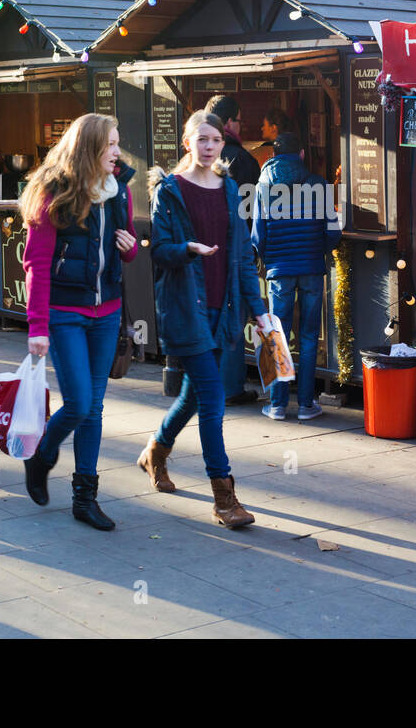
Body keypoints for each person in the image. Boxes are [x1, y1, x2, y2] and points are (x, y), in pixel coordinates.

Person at [140, 110, 272, 528]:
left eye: (215, 139)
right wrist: (187, 250)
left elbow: (240, 258)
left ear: (223, 143)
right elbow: (158, 250)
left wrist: (261, 312)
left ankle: (155, 452)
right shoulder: (170, 190)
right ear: (187, 143)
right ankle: (224, 497)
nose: (209, 146)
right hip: (186, 308)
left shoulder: (229, 188)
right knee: (213, 401)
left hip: (224, 309)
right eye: (201, 139)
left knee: (194, 397)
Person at [18, 114, 137, 530]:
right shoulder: (56, 193)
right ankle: (43, 455)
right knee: (80, 403)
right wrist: (36, 327)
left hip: (108, 312)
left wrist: (130, 248)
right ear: (89, 148)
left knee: (95, 407)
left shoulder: (119, 190)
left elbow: (125, 248)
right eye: (110, 145)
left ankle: (84, 498)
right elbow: (36, 262)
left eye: (118, 144)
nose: (117, 152)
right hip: (65, 314)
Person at [251, 132, 341, 421]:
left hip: (279, 272)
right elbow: (333, 233)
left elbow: (257, 237)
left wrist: (272, 258)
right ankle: (305, 404)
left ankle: (277, 405)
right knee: (309, 335)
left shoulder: (262, 187)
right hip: (312, 268)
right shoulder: (318, 184)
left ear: (272, 157)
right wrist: (317, 250)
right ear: (301, 154)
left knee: (277, 333)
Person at [202, 94, 260, 405]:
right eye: (237, 119)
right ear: (228, 123)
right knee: (234, 320)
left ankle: (212, 386)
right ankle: (231, 388)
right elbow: (251, 214)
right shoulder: (243, 161)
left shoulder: (201, 162)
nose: (241, 124)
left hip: (205, 254)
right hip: (233, 254)